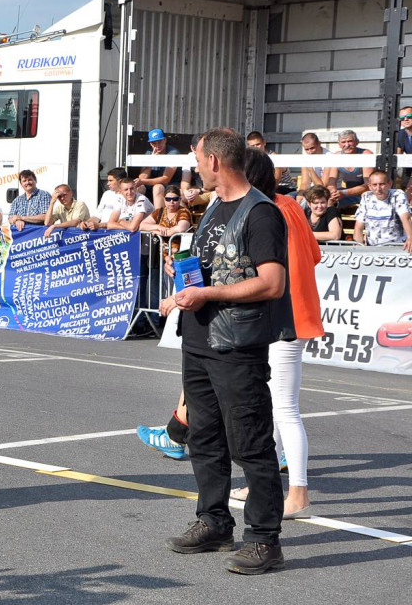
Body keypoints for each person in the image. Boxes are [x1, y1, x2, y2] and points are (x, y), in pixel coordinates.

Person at [158, 127, 291, 575]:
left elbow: (272, 283)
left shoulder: (261, 212)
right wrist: (179, 295)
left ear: (215, 161)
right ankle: (214, 520)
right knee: (205, 439)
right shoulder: (214, 205)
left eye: (198, 159)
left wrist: (210, 294)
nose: (196, 167)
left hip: (235, 344)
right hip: (198, 340)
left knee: (250, 443)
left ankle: (264, 539)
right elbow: (208, 270)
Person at [227, 149, 322, 520]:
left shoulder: (262, 211)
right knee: (275, 403)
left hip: (283, 316)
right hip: (294, 313)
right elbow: (314, 255)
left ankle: (298, 493)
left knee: (284, 407)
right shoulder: (289, 205)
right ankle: (260, 481)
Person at [354, 170, 412, 253]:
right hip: (372, 248)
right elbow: (358, 227)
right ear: (369, 186)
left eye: (382, 184)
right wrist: (358, 247)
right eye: (374, 185)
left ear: (389, 184)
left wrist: (410, 238)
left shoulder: (398, 195)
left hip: (398, 248)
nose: (378, 189)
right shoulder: (366, 197)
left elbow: (406, 218)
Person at [329, 130, 375, 208]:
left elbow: (368, 185)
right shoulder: (337, 156)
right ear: (339, 144)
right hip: (347, 193)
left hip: (366, 193)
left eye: (350, 141)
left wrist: (344, 193)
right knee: (327, 200)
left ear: (357, 142)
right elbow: (331, 182)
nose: (347, 145)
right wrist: (333, 192)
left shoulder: (366, 155)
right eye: (343, 142)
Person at [136, 128, 181, 204]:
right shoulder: (149, 153)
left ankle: (158, 215)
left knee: (157, 187)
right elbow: (142, 178)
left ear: (165, 140)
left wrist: (142, 181)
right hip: (151, 186)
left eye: (159, 142)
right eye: (154, 143)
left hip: (171, 186)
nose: (157, 145)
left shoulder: (173, 152)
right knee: (138, 187)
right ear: (150, 144)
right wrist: (151, 161)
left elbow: (165, 179)